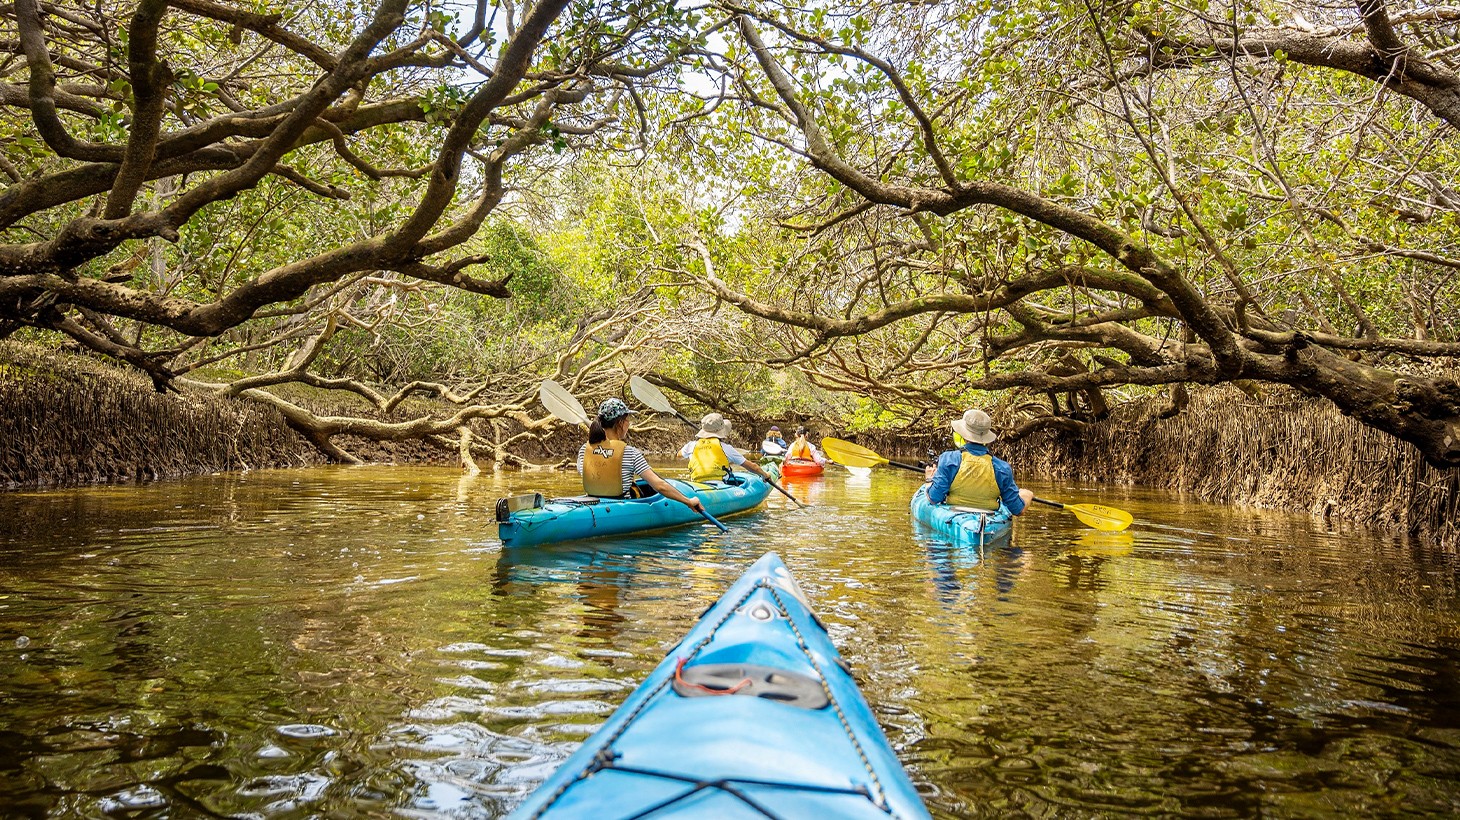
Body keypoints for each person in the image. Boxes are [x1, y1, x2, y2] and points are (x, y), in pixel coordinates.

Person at [578, 398, 706, 516]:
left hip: (593, 503)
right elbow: (659, 486)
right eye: (628, 420)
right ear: (621, 423)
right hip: (622, 511)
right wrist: (688, 501)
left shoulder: (585, 449)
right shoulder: (630, 452)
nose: (629, 424)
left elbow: (594, 476)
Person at [923, 408, 1033, 514]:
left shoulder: (948, 459)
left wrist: (929, 479)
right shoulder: (1002, 467)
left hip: (955, 515)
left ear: (962, 434)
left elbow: (933, 498)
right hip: (989, 517)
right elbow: (1018, 509)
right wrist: (1027, 495)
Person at [678, 413, 777, 483]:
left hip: (696, 485)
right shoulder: (726, 448)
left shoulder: (691, 445)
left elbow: (679, 456)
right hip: (719, 486)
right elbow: (752, 467)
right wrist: (765, 475)